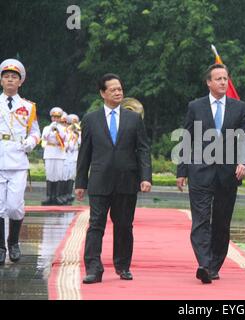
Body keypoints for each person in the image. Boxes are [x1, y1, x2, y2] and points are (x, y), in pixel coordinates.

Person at [176, 64, 245, 284]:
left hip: (228, 174)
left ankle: (214, 263)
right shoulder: (195, 107)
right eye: (218, 78)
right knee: (200, 220)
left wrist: (243, 162)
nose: (222, 82)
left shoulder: (239, 107)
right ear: (208, 82)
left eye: (225, 78)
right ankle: (204, 264)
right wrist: (182, 170)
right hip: (199, 171)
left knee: (221, 221)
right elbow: (186, 138)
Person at [75, 73, 152, 284]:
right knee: (96, 225)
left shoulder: (133, 118)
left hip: (127, 180)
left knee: (124, 225)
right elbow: (85, 152)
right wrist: (80, 183)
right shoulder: (91, 119)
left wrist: (146, 177)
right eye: (113, 89)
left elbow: (143, 150)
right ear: (103, 93)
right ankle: (93, 268)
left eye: (120, 89)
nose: (118, 92)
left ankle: (123, 265)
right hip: (99, 181)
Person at [0, 58, 41, 265]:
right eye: (6, 77)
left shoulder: (28, 106)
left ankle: (13, 241)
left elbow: (36, 133)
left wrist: (30, 143)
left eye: (13, 77)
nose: (9, 80)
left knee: (15, 206)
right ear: (1, 81)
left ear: (20, 82)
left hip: (17, 159)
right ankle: (1, 246)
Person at [41, 107, 67, 205]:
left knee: (58, 175)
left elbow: (64, 138)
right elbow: (44, 137)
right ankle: (49, 196)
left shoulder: (63, 128)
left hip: (59, 153)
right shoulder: (46, 128)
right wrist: (51, 128)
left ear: (60, 118)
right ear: (51, 118)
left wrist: (58, 130)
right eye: (54, 117)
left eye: (58, 117)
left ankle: (57, 196)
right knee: (49, 175)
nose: (56, 119)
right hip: (49, 152)